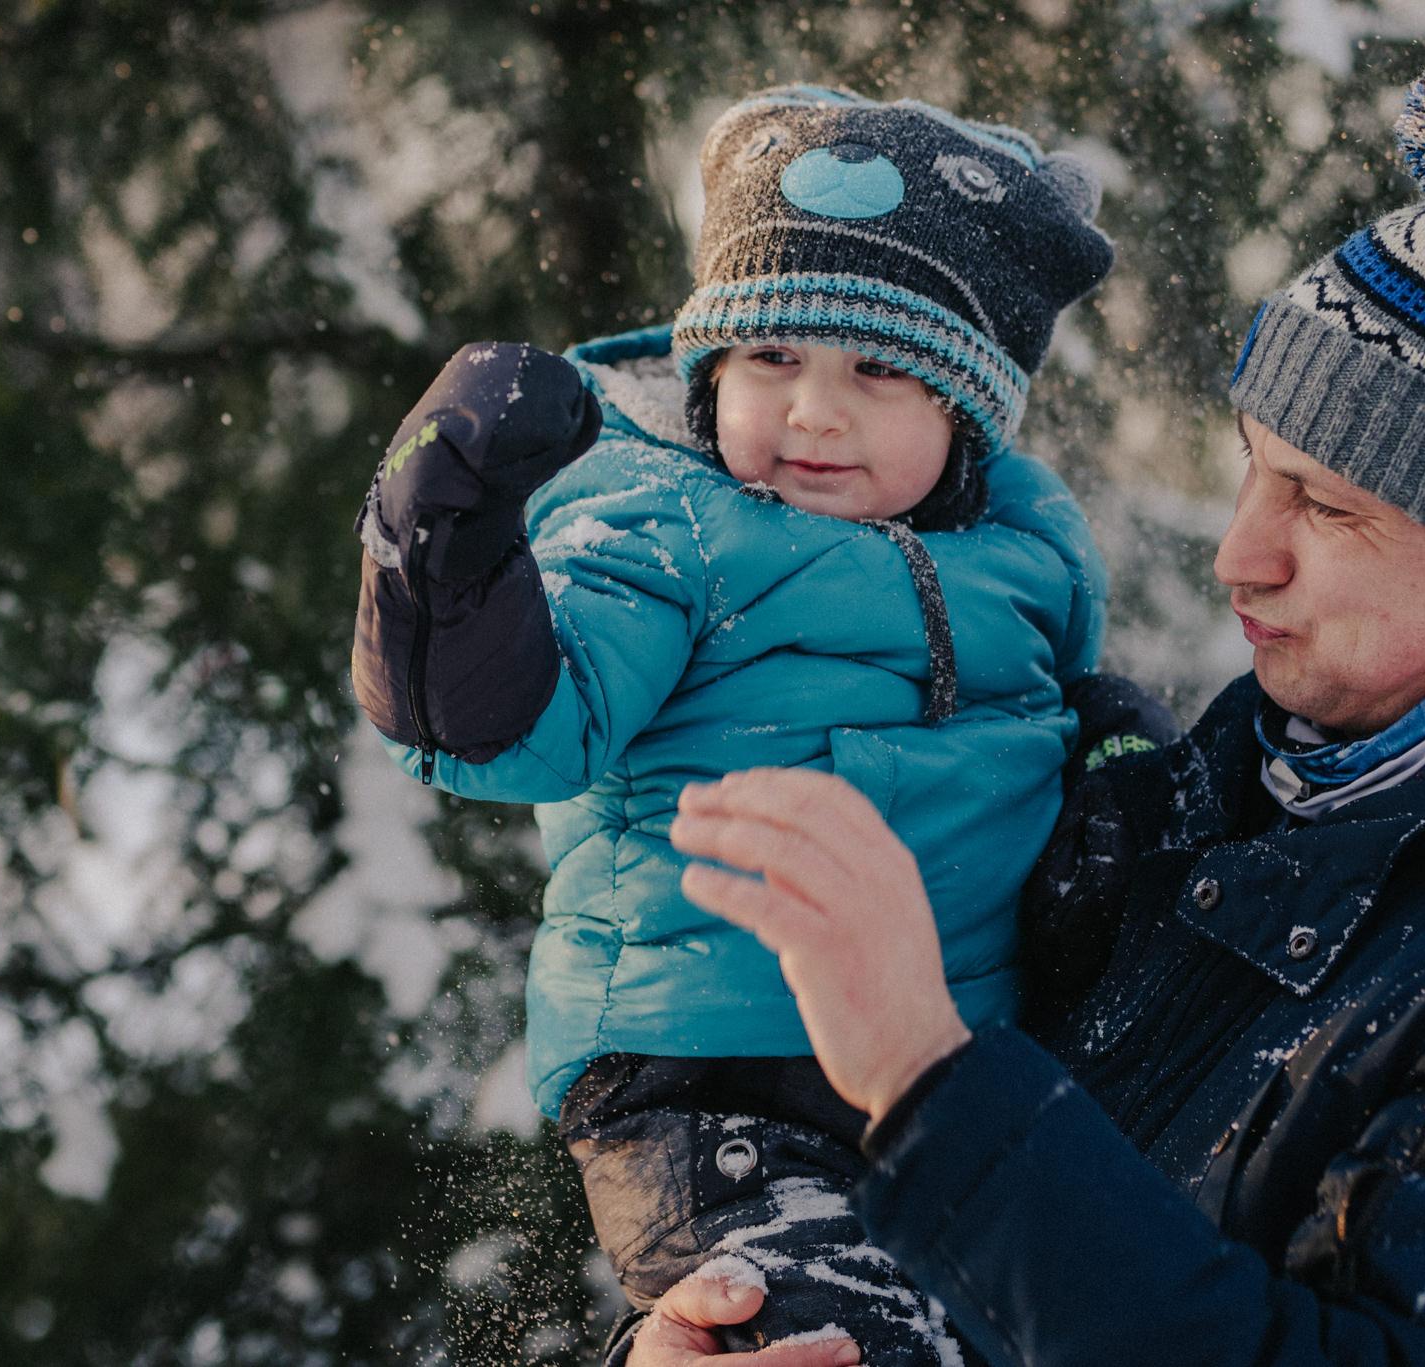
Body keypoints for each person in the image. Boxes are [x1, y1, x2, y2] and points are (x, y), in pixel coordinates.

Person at [655, 41, 1425, 1367]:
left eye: (1329, 506)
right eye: (1257, 470)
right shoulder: (1219, 798)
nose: (1241, 554)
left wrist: (927, 1076)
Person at [348, 89, 1125, 1358]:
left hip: (947, 1054)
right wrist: (444, 554)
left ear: (967, 411)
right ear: (713, 365)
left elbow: (1073, 708)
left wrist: (1127, 774)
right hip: (705, 1062)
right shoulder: (666, 524)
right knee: (835, 1333)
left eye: (876, 370)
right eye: (772, 359)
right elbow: (520, 726)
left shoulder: (1030, 547)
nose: (813, 411)